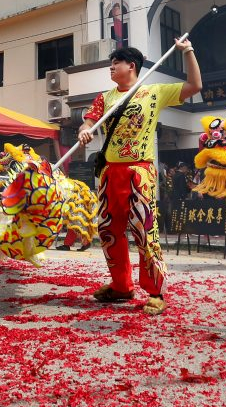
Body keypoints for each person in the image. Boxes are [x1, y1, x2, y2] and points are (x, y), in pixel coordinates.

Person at [78, 38, 202, 316]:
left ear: (131, 66)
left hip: (139, 172)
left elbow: (195, 86)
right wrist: (84, 130)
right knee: (108, 231)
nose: (111, 68)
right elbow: (89, 120)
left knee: (144, 232)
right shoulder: (105, 98)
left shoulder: (154, 92)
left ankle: (156, 292)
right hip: (109, 173)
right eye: (110, 65)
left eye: (116, 64)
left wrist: (188, 51)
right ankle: (121, 286)